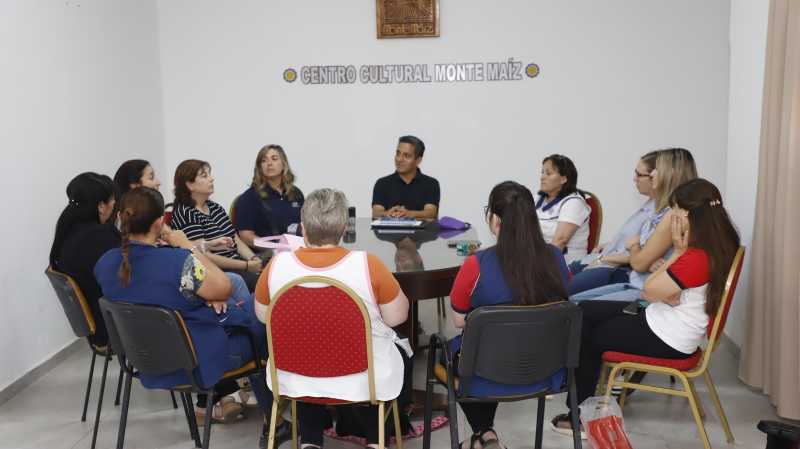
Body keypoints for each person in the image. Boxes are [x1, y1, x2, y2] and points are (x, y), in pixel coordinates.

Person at [93, 187, 290, 448]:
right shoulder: (178, 262)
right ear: (160, 223)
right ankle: (278, 418)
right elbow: (224, 286)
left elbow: (148, 291)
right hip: (197, 359)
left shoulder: (105, 262)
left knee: (248, 312)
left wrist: (199, 293)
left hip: (145, 357)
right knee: (263, 314)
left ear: (121, 218)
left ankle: (271, 412)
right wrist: (186, 246)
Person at [551, 178, 741, 437]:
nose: (672, 216)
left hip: (667, 335)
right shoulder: (718, 245)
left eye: (676, 210)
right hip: (666, 321)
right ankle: (581, 400)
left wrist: (676, 254)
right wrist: (666, 288)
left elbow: (648, 290)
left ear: (690, 215)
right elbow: (659, 292)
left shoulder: (694, 256)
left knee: (587, 335)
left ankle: (579, 417)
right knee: (584, 310)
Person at [255, 188, 412, 449]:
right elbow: (398, 316)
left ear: (303, 229)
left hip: (294, 378)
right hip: (363, 380)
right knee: (398, 349)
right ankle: (375, 439)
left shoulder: (276, 267)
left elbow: (263, 316)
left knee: (307, 345)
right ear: (344, 229)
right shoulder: (368, 265)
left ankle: (310, 441)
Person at [448, 181, 570, 449]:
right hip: (546, 370)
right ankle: (484, 437)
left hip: (486, 374)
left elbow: (458, 321)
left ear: (496, 220)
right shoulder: (556, 258)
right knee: (485, 348)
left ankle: (483, 434)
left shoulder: (476, 264)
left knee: (460, 349)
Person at [569, 148, 697, 301]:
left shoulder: (672, 214)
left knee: (573, 303)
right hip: (636, 279)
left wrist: (632, 250)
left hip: (640, 284)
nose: (653, 175)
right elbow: (642, 253)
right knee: (570, 299)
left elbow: (640, 262)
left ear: (671, 174)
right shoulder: (661, 209)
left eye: (657, 170)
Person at [566, 151, 657, 295]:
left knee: (560, 293)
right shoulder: (649, 204)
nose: (635, 179)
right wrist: (609, 245)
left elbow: (642, 254)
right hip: (603, 259)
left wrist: (603, 259)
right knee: (550, 283)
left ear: (656, 178)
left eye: (640, 175)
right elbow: (630, 240)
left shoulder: (659, 213)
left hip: (614, 267)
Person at [49, 173, 119, 347]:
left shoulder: (68, 231)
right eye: (112, 200)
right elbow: (126, 276)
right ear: (101, 206)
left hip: (98, 326)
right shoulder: (99, 236)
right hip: (115, 325)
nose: (115, 204)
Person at [170, 159, 262, 291]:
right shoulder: (186, 212)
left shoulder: (215, 207)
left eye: (209, 174)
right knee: (263, 284)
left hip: (239, 264)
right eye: (204, 176)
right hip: (216, 272)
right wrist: (246, 265)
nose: (211, 179)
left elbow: (235, 238)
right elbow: (203, 255)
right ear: (190, 185)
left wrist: (252, 258)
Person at [235, 145, 305, 249]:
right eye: (264, 160)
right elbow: (246, 236)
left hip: (297, 252)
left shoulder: (296, 193)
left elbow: (305, 226)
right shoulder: (249, 197)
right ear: (259, 167)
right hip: (268, 254)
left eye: (274, 159)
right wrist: (274, 248)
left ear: (283, 163)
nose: (269, 163)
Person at [535, 154, 590, 264]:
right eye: (542, 172)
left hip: (566, 264)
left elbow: (560, 242)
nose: (542, 177)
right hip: (537, 259)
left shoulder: (574, 203)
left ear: (563, 179)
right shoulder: (537, 198)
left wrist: (535, 266)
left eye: (548, 173)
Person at [372, 135, 440, 220]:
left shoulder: (431, 184)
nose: (399, 159)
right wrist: (388, 213)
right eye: (398, 154)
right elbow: (376, 213)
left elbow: (431, 213)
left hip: (421, 233)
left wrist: (408, 213)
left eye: (406, 156)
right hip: (390, 233)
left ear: (418, 160)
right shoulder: (382, 183)